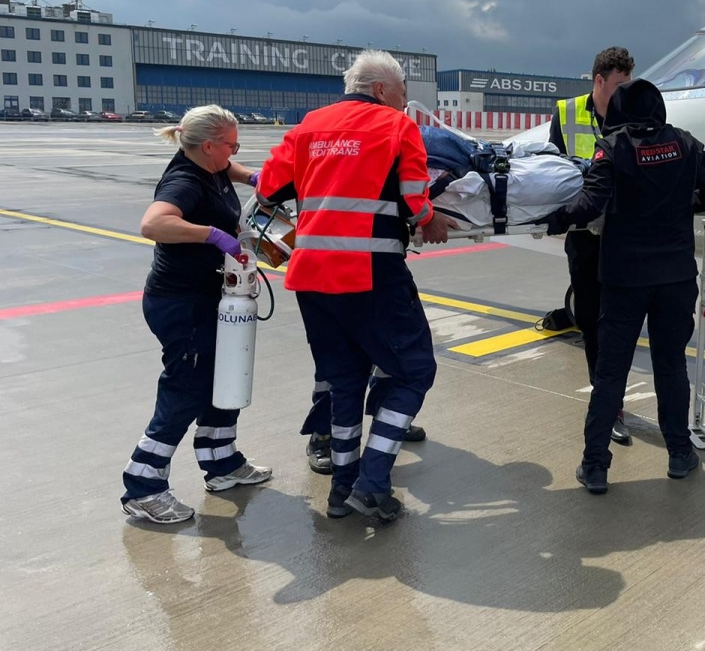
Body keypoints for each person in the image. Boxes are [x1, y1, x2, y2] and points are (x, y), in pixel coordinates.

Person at [257, 51, 457, 523]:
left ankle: (341, 489)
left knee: (344, 379)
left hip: (311, 277)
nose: (406, 101)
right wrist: (430, 219)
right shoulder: (395, 126)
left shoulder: (308, 127)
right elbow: (413, 197)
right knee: (412, 373)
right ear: (383, 90)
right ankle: (371, 482)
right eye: (404, 92)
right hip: (371, 275)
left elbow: (268, 188)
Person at [545, 79, 705, 494]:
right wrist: (684, 204)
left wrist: (551, 220)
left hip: (625, 278)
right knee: (671, 366)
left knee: (611, 373)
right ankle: (680, 454)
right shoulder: (686, 144)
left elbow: (589, 204)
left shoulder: (612, 148)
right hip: (675, 278)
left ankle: (595, 466)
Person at [120, 105, 273, 524]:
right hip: (180, 303)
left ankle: (221, 462)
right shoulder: (184, 181)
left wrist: (257, 177)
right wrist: (211, 233)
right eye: (231, 144)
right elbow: (153, 224)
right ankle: (143, 486)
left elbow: (233, 169)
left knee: (223, 375)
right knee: (186, 387)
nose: (235, 152)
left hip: (210, 300)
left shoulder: (212, 166)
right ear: (208, 145)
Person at [546, 46, 636, 445]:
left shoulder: (634, 112)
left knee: (615, 322)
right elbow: (551, 168)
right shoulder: (566, 113)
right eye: (618, 85)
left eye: (627, 85)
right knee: (590, 320)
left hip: (622, 235)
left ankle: (610, 401)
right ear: (598, 81)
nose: (623, 93)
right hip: (583, 237)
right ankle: (606, 399)